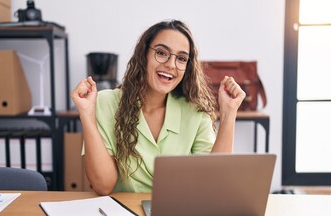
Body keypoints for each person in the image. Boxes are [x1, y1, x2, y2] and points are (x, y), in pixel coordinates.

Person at [71, 19, 246, 195]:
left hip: (178, 215)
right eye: (162, 53)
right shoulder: (106, 103)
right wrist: (86, 115)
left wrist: (229, 113)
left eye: (181, 58)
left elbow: (213, 183)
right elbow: (103, 185)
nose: (171, 65)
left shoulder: (196, 112)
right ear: (144, 55)